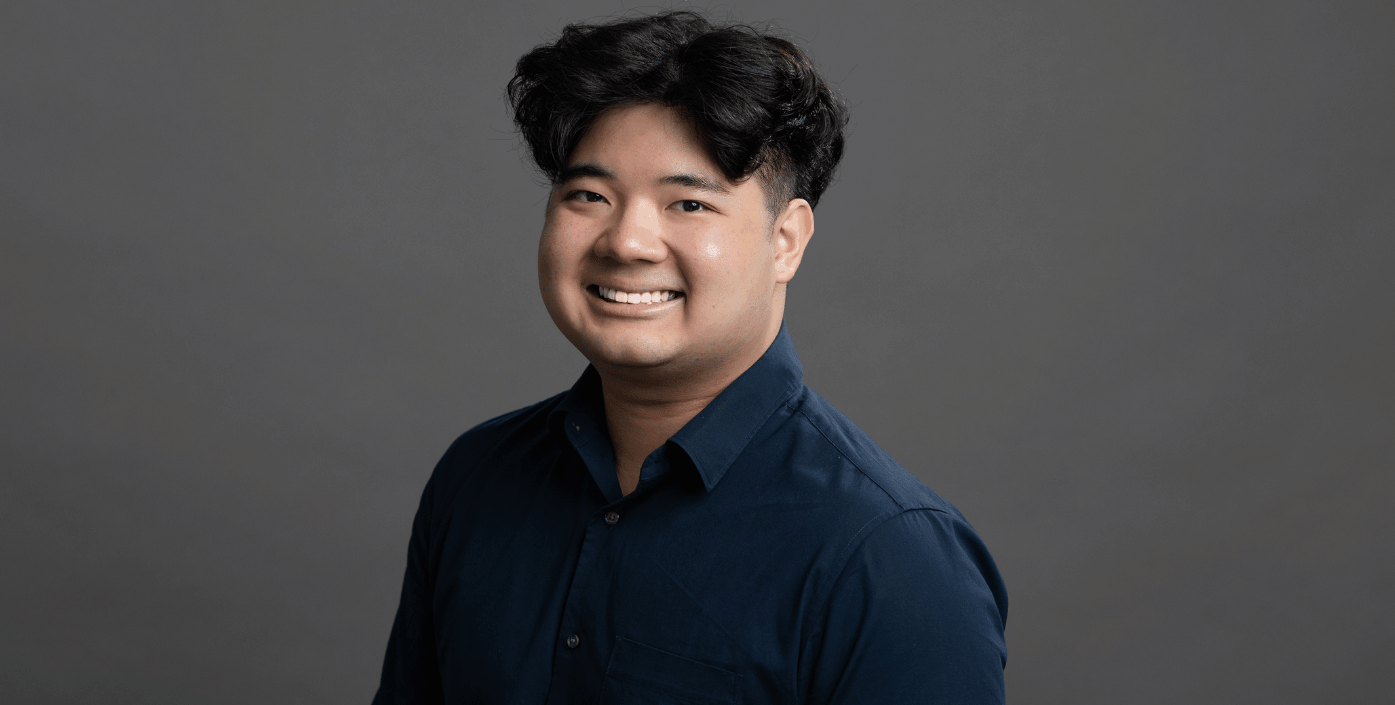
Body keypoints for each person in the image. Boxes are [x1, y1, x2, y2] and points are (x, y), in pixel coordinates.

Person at [373, 10, 1007, 704]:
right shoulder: (476, 479)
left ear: (786, 241)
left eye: (688, 204)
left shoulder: (890, 558)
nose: (627, 242)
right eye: (589, 195)